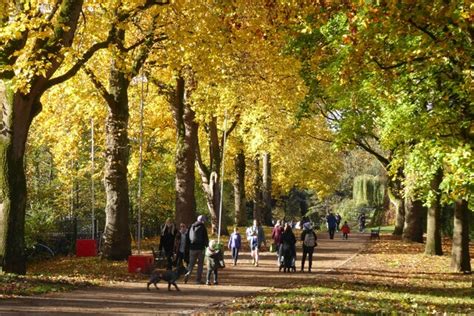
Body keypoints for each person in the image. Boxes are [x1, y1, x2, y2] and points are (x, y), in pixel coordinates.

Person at [184, 215, 209, 284]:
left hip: (192, 248)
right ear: (202, 220)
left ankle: (187, 274)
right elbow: (205, 237)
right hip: (200, 248)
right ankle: (198, 280)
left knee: (191, 264)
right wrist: (207, 246)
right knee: (200, 265)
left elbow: (187, 237)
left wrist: (188, 247)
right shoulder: (202, 227)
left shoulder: (191, 226)